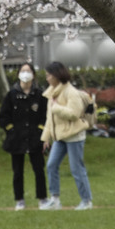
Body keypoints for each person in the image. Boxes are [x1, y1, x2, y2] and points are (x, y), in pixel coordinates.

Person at [41, 61, 93, 210]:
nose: (47, 78)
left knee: (76, 169)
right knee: (51, 165)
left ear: (57, 75)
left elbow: (74, 114)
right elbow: (49, 120)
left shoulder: (71, 92)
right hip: (60, 137)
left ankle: (86, 200)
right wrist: (46, 138)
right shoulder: (52, 93)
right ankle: (55, 199)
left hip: (74, 136)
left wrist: (56, 108)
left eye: (49, 75)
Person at [0, 62, 48, 210]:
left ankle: (42, 198)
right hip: (17, 139)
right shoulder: (12, 95)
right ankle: (19, 199)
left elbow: (45, 116)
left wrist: (40, 131)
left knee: (39, 169)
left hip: (35, 138)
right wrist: (11, 130)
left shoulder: (39, 95)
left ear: (33, 74)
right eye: (23, 71)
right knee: (17, 171)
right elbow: (3, 117)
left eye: (28, 71)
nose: (25, 74)